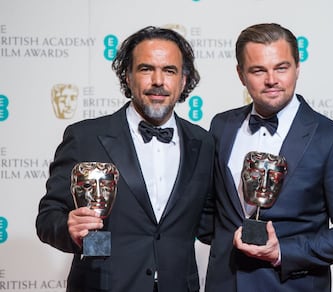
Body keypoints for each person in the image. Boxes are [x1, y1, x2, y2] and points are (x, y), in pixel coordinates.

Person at [36, 26, 214, 292]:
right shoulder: (85, 136)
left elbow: (210, 222)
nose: (158, 80)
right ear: (128, 77)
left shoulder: (204, 142)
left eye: (169, 70)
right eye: (145, 69)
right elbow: (48, 218)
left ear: (183, 81)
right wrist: (68, 228)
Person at [201, 23, 333, 292]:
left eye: (281, 67)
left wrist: (283, 251)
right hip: (224, 283)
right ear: (240, 74)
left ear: (297, 67)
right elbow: (209, 212)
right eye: (258, 70)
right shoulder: (221, 125)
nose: (271, 80)